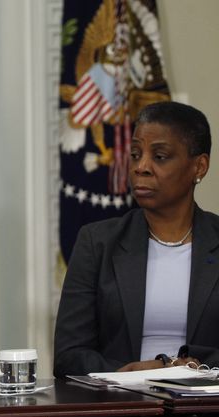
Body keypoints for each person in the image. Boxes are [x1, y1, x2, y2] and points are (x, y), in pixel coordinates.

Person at [54, 101, 217, 378]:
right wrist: (128, 373)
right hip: (122, 412)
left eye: (160, 156)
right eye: (135, 154)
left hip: (207, 412)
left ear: (199, 167)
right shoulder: (97, 243)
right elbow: (69, 356)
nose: (141, 167)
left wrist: (194, 370)